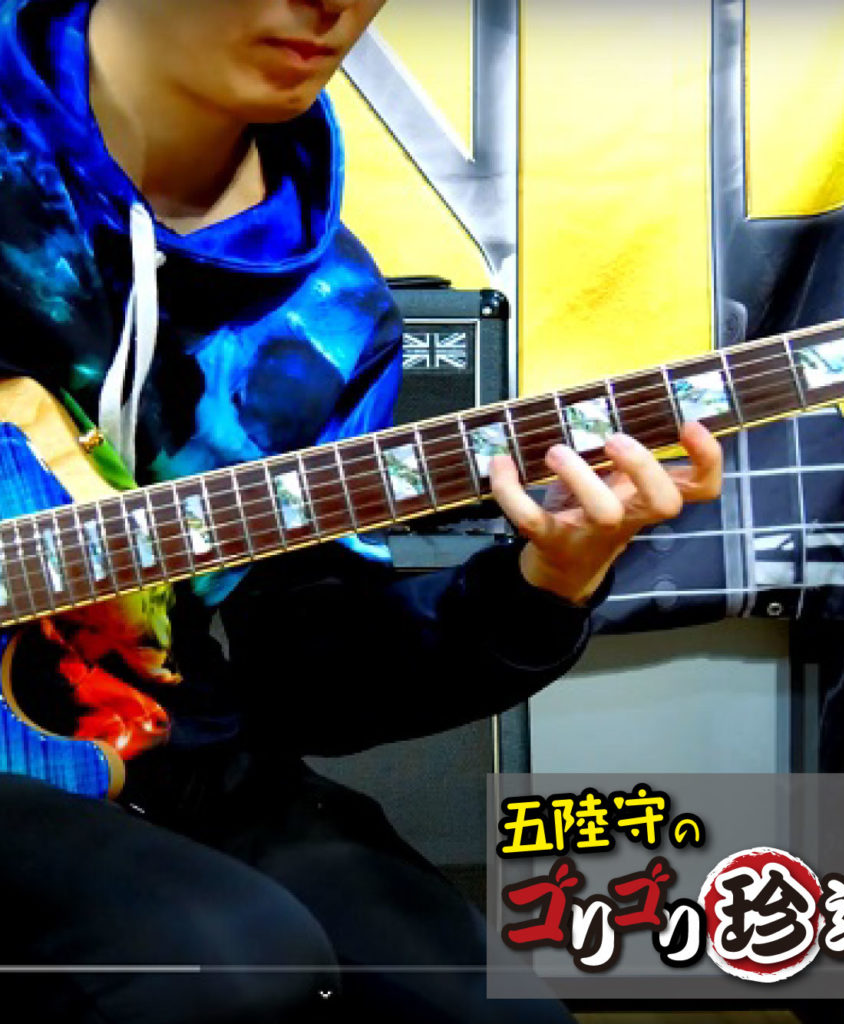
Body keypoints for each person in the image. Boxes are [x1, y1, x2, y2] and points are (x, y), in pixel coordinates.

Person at [0, 0, 723, 1020]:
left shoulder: (330, 312)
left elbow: (307, 682)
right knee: (230, 960)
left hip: (157, 738)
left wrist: (542, 583)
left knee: (482, 1009)